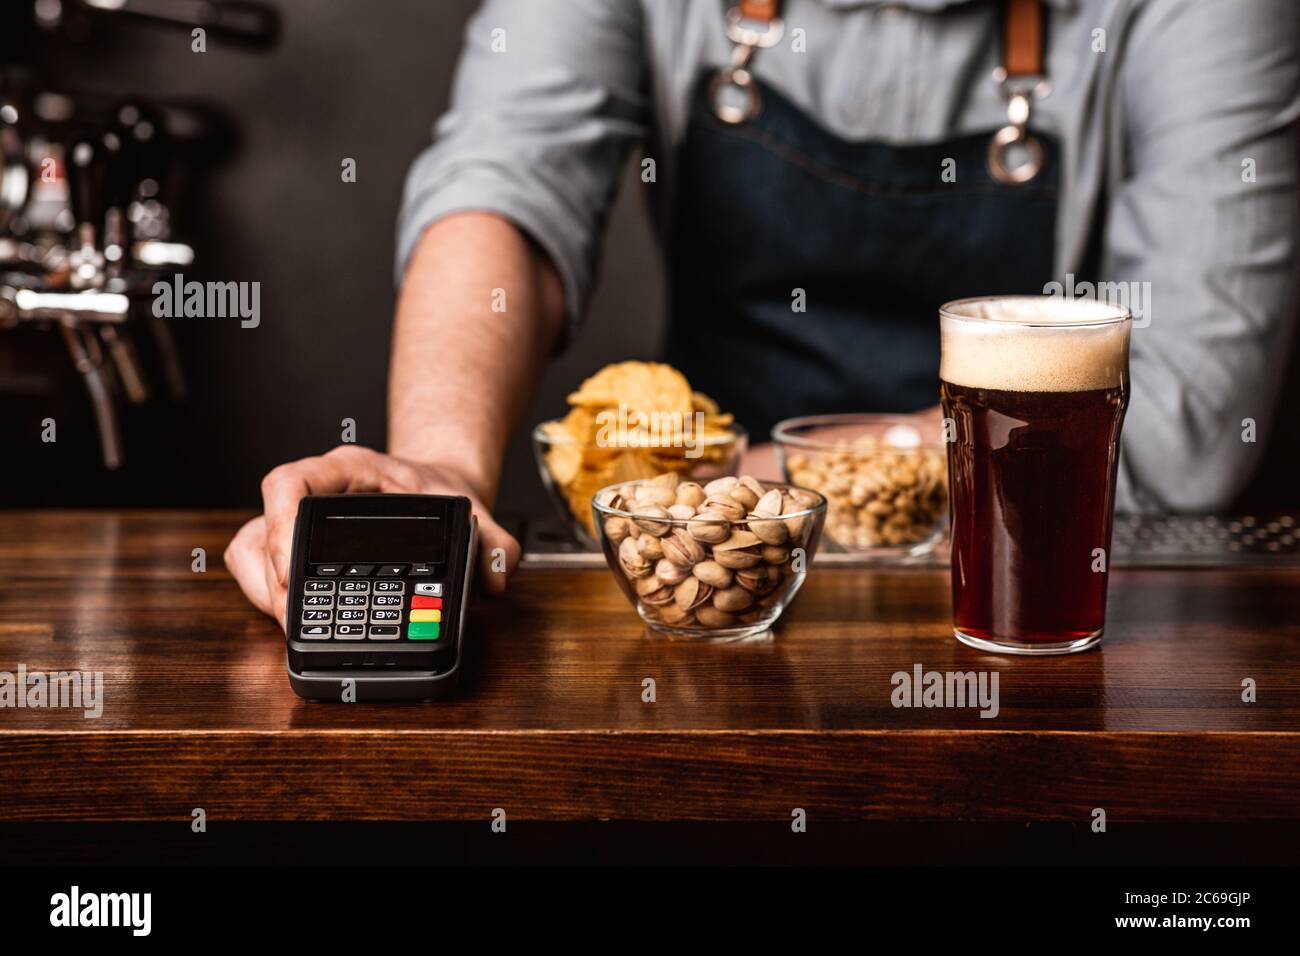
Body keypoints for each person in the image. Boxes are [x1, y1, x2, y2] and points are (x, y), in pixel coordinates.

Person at [226, 0, 1299, 623]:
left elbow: (1189, 418)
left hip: (1046, 592)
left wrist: (734, 489)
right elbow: (504, 183)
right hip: (706, 604)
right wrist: (443, 469)